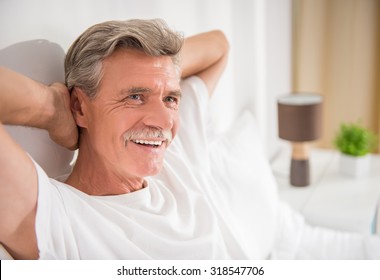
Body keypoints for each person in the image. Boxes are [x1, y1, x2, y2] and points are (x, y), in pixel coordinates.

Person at [1, 19, 379, 260]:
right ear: (81, 108)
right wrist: (52, 109)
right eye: (135, 96)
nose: (164, 121)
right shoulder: (59, 217)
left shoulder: (176, 155)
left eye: (170, 98)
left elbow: (219, 46)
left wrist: (162, 70)